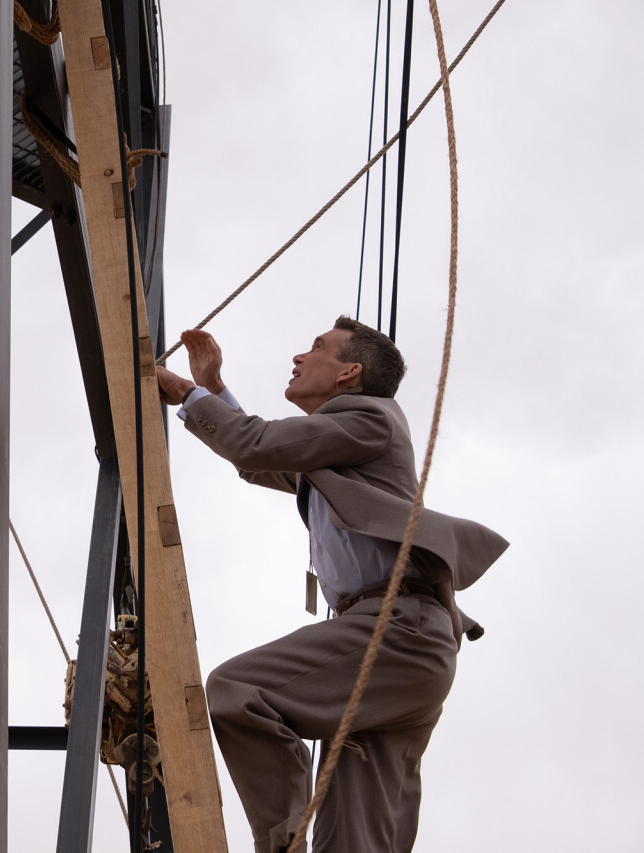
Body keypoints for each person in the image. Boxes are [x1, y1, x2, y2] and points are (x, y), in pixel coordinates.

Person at [155, 318, 507, 853]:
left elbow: (253, 444)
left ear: (350, 372)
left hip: (396, 633)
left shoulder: (368, 417)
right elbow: (260, 461)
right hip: (408, 647)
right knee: (352, 839)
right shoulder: (338, 452)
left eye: (316, 348)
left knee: (239, 692)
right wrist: (215, 392)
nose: (299, 357)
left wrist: (191, 393)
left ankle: (282, 842)